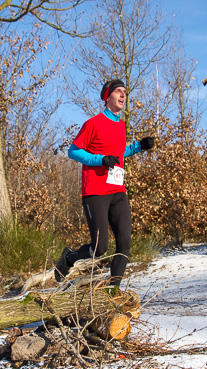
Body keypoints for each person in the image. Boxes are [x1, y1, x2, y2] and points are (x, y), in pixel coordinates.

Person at [54, 79, 155, 287]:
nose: (123, 95)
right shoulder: (93, 123)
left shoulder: (121, 126)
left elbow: (118, 153)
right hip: (95, 192)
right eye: (118, 91)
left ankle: (112, 290)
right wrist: (100, 159)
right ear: (107, 96)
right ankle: (68, 259)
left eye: (125, 92)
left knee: (124, 242)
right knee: (100, 248)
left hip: (118, 190)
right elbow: (73, 151)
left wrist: (138, 146)